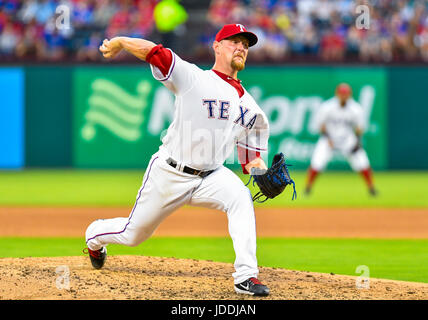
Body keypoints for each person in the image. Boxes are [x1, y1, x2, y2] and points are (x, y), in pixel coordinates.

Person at [84, 24, 271, 297]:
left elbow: (250, 158)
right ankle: (94, 235)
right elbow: (155, 53)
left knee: (240, 198)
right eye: (234, 41)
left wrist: (262, 173)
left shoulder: (252, 108)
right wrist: (122, 41)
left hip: (211, 176)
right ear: (217, 46)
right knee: (133, 235)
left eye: (245, 44)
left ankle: (246, 277)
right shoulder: (194, 77)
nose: (241, 47)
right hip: (170, 173)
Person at [305, 83, 378, 196]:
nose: (344, 96)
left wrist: (357, 142)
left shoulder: (356, 108)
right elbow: (321, 125)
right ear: (337, 94)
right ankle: (308, 188)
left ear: (350, 95)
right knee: (317, 162)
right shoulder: (327, 107)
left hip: (347, 140)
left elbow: (359, 127)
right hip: (329, 138)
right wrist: (328, 138)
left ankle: (371, 188)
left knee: (363, 162)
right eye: (342, 94)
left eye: (346, 94)